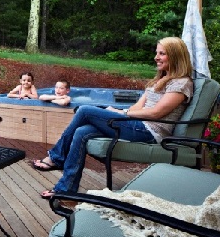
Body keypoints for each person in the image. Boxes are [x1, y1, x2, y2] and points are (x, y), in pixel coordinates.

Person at [33, 37, 194, 199]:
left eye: (162, 54)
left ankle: (56, 157)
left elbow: (156, 113)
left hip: (150, 131)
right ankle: (66, 188)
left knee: (84, 110)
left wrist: (123, 114)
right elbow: (137, 108)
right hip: (136, 124)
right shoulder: (158, 81)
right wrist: (118, 112)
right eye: (156, 53)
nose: (156, 57)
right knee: (82, 131)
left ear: (175, 56)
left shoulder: (181, 83)